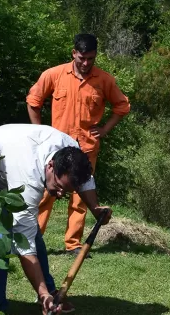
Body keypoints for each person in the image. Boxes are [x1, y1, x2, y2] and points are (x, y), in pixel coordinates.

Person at [0, 124, 111, 315]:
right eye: (59, 187)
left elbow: (85, 180)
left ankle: (50, 297)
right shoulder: (29, 175)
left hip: (8, 168)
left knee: (34, 235)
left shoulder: (73, 154)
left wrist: (95, 208)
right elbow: (25, 247)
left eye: (67, 190)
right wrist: (40, 292)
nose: (60, 194)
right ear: (50, 166)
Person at [27, 33, 130, 258]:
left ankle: (73, 243)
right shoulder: (54, 74)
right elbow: (33, 101)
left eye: (90, 59)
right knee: (45, 194)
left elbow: (122, 106)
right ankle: (34, 239)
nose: (85, 63)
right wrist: (40, 133)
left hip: (86, 148)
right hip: (55, 149)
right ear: (74, 53)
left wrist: (104, 129)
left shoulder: (104, 80)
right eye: (81, 58)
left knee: (80, 196)